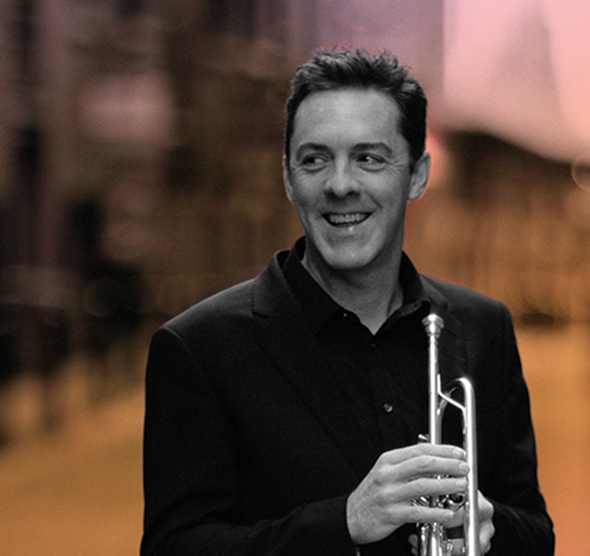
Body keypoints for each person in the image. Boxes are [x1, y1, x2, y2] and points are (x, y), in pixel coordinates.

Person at [141, 49, 555, 556]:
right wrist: (344, 523)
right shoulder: (199, 348)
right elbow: (173, 547)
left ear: (417, 175)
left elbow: (536, 532)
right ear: (288, 178)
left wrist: (490, 528)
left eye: (369, 158)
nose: (340, 185)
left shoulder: (483, 328)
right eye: (314, 160)